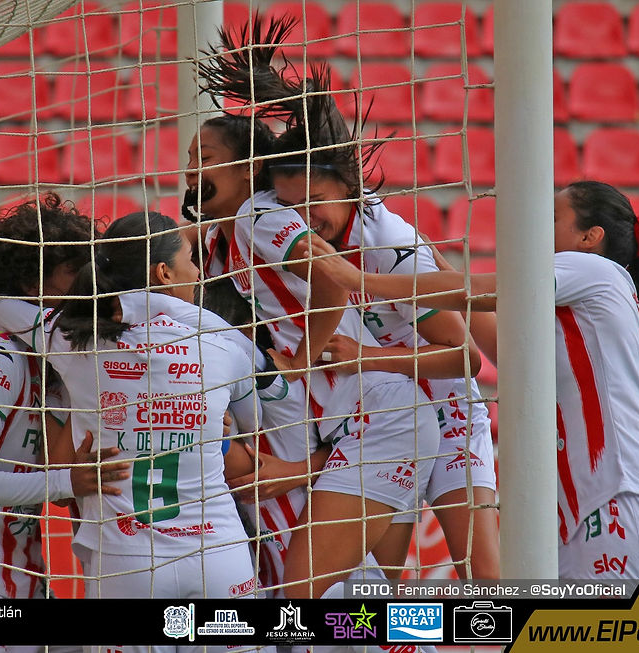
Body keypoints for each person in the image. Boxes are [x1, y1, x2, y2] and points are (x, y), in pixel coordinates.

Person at [197, 17, 501, 580]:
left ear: (348, 187)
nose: (305, 218)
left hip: (446, 409)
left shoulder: (390, 244)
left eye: (314, 201)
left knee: (484, 577)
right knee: (377, 590)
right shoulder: (274, 229)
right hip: (373, 409)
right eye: (291, 205)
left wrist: (364, 357)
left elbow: (464, 359)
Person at [310, 180, 639, 579]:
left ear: (589, 237)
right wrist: (438, 269)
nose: (536, 227)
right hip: (589, 516)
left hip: (624, 503)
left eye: (552, 218)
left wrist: (357, 280)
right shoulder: (576, 303)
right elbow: (504, 349)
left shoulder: (596, 269)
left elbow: (475, 292)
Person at [0, 210, 275, 607]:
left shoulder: (73, 342)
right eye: (191, 260)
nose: (198, 273)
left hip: (127, 560)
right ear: (164, 273)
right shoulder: (224, 346)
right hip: (218, 552)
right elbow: (255, 422)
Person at [0, 194, 128, 617]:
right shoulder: (0, 360)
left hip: (22, 571)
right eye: (73, 272)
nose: (87, 283)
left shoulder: (50, 361)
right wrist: (68, 482)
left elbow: (57, 468)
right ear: (34, 284)